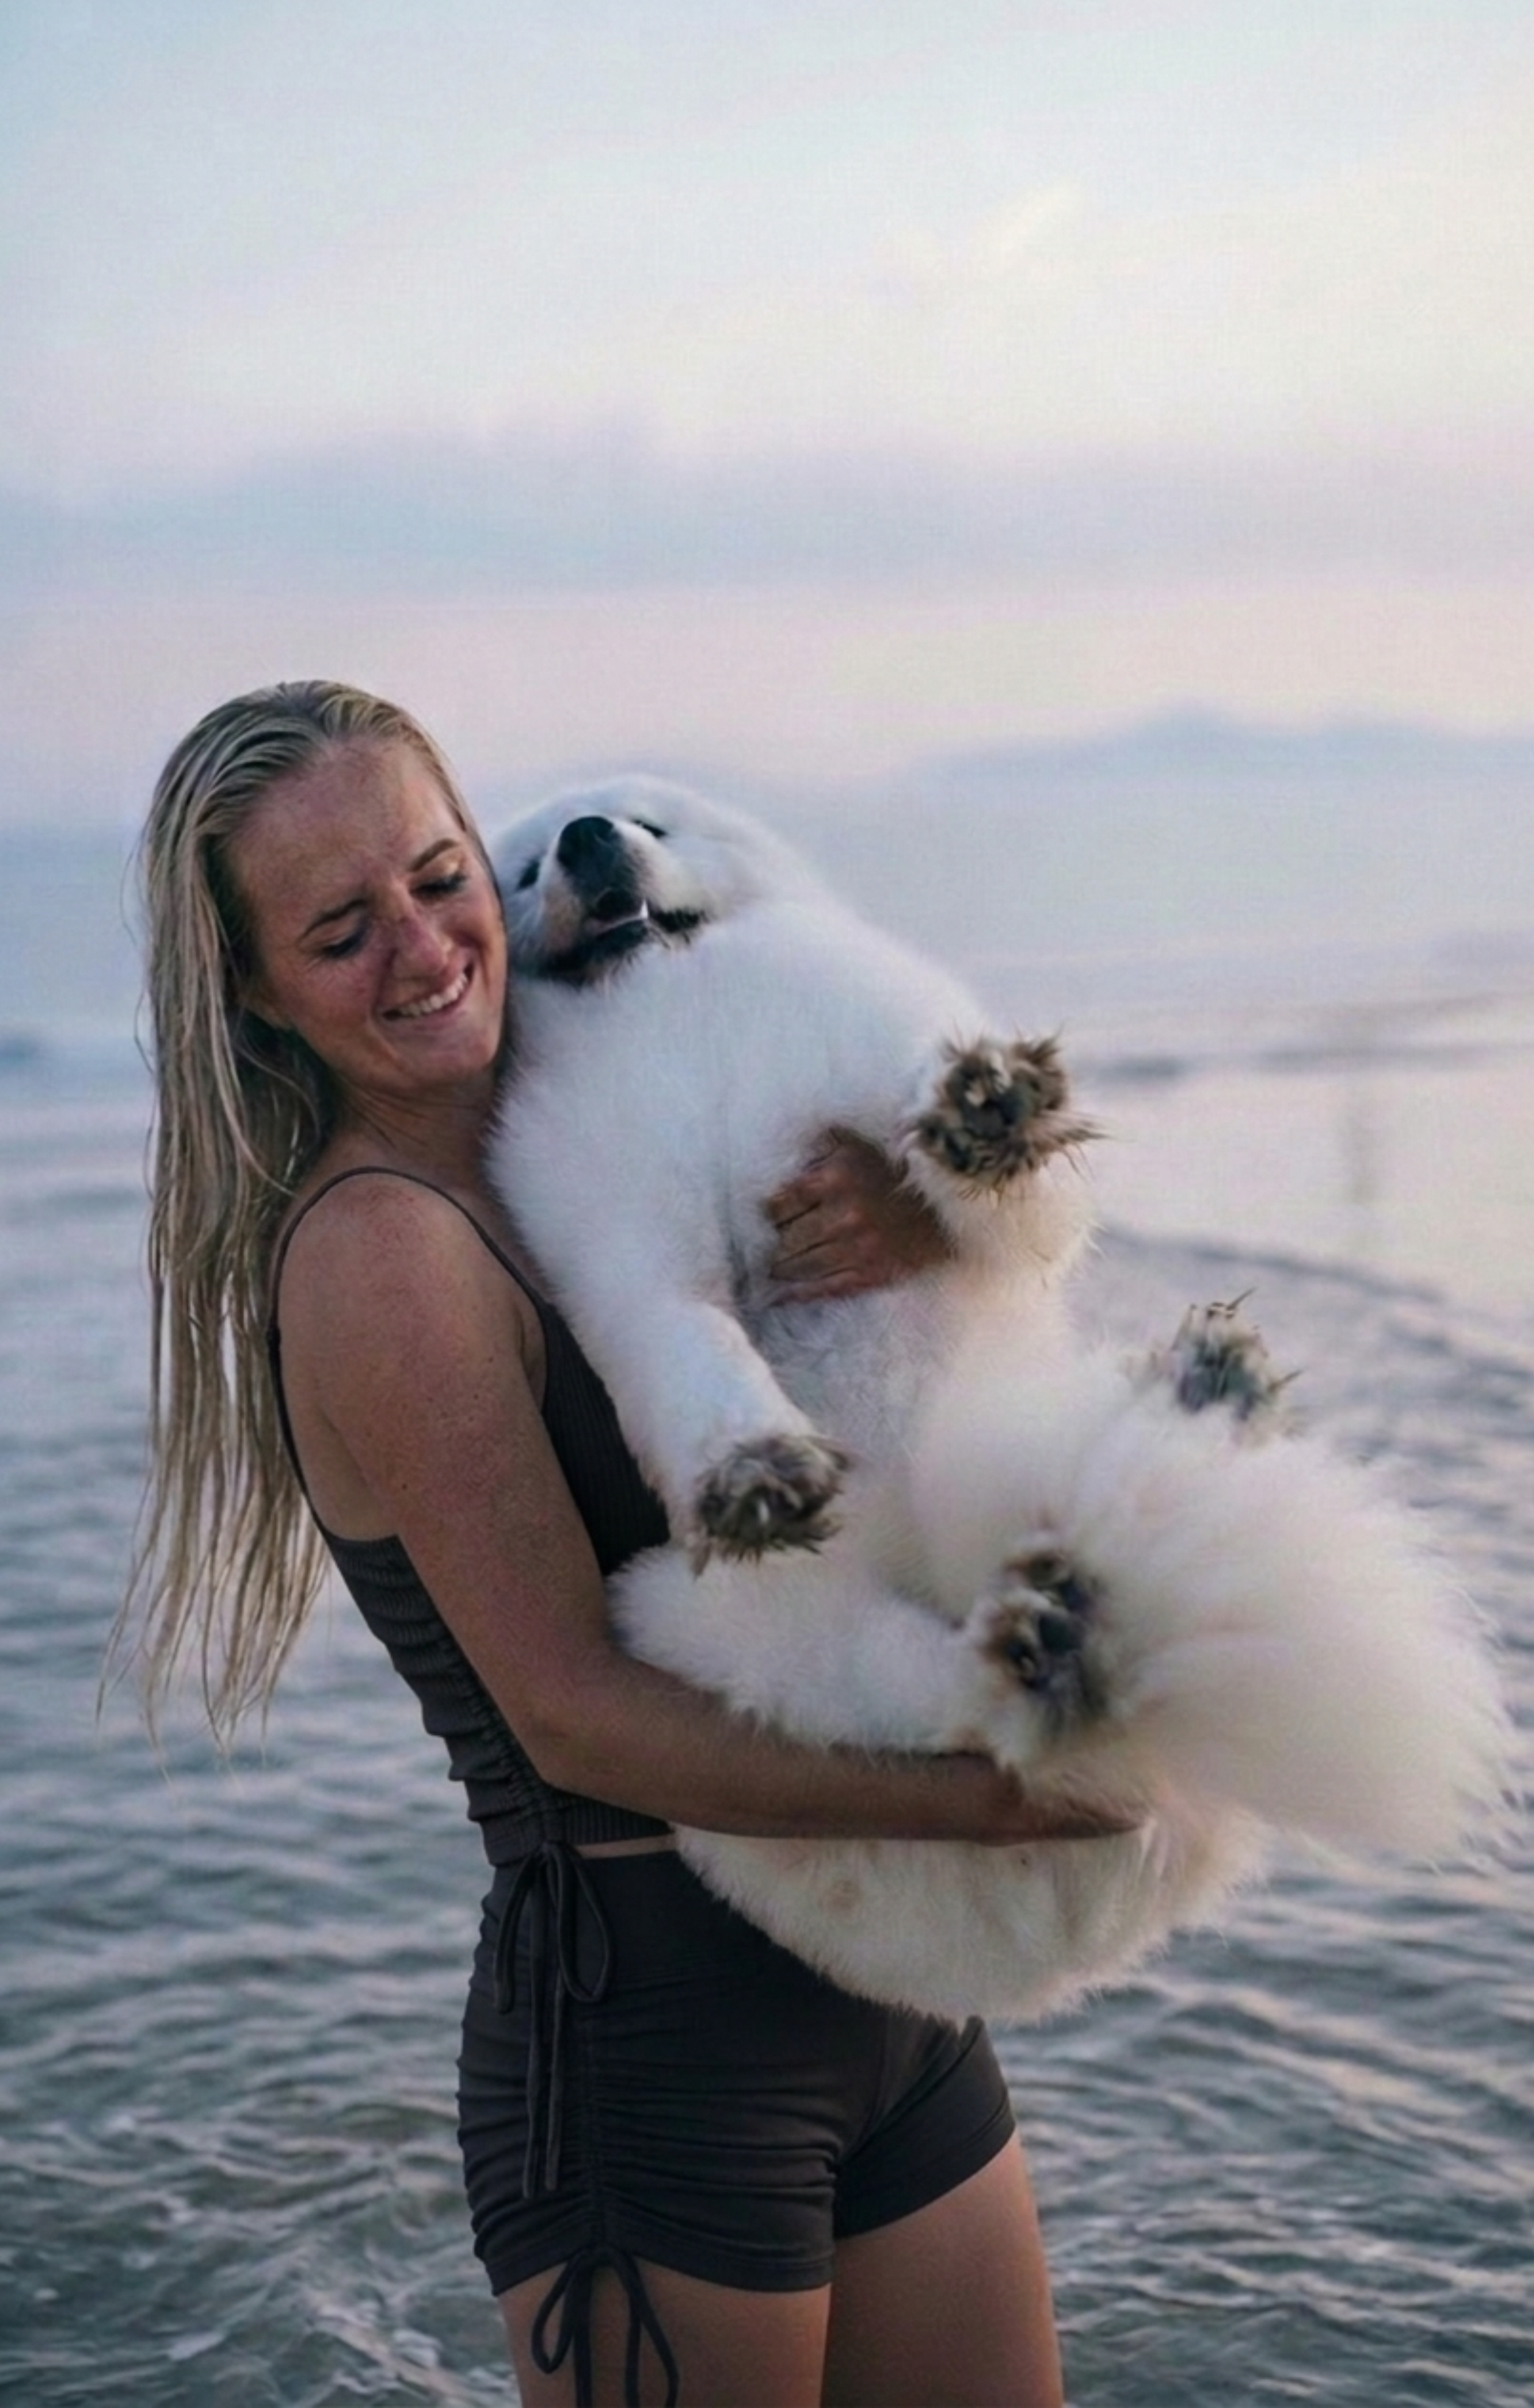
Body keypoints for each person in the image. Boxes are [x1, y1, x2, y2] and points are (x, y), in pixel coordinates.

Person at [118, 680, 1132, 2408]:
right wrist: (989, 1800)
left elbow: (929, 1367)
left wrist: (921, 1208)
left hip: (877, 1978)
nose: (427, 950)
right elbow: (572, 1712)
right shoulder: (385, 1253)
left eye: (442, 879)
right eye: (342, 931)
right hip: (656, 2048)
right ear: (257, 993)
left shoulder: (600, 1123)